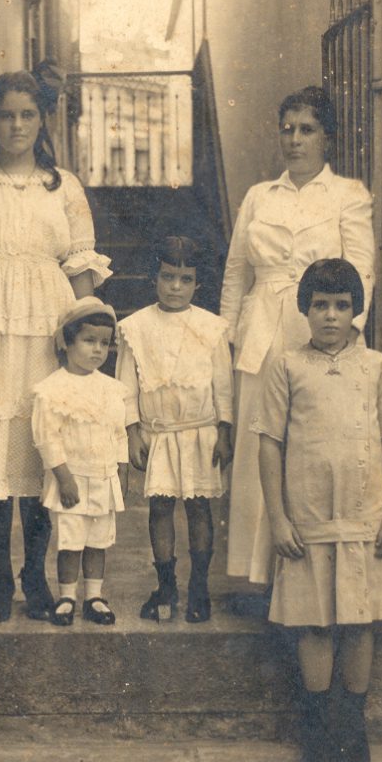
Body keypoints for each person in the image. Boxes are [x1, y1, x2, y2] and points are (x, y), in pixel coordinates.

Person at [0, 71, 111, 624]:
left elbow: (80, 268)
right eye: (6, 115)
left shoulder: (65, 187)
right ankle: (1, 578)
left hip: (47, 327)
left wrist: (87, 342)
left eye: (27, 115)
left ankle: (35, 574)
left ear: (42, 121)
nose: (17, 125)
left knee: (43, 449)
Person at [256, 260, 382, 762]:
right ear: (305, 309)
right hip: (309, 522)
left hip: (365, 520)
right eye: (320, 305)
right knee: (315, 624)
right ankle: (318, 728)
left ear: (355, 312)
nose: (330, 316)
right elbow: (269, 445)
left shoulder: (376, 367)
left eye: (341, 306)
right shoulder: (287, 366)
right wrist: (279, 519)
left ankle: (352, 728)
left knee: (359, 624)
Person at [220, 86, 375, 587]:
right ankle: (260, 577)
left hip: (320, 330)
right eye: (287, 129)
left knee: (313, 446)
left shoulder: (348, 195)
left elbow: (362, 272)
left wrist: (344, 337)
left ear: (327, 137)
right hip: (262, 334)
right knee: (260, 447)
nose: (295, 139)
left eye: (307, 129)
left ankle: (313, 576)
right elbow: (236, 273)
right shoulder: (259, 196)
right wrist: (225, 339)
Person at [116, 236, 234, 623]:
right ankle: (166, 585)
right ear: (154, 278)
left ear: (197, 283)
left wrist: (224, 430)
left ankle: (199, 587)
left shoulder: (211, 328)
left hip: (200, 432)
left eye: (185, 280)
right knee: (160, 507)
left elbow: (223, 385)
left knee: (199, 507)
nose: (175, 287)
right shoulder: (135, 328)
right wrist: (132, 432)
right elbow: (126, 387)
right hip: (159, 433)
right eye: (168, 277)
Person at [31, 298, 129, 626]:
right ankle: (67, 597)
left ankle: (94, 597)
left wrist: (121, 472)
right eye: (89, 341)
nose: (97, 350)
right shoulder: (52, 389)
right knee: (71, 541)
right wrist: (64, 478)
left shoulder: (111, 389)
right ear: (67, 341)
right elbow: (47, 438)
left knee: (98, 540)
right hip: (71, 479)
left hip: (103, 477)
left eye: (104, 343)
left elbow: (118, 433)